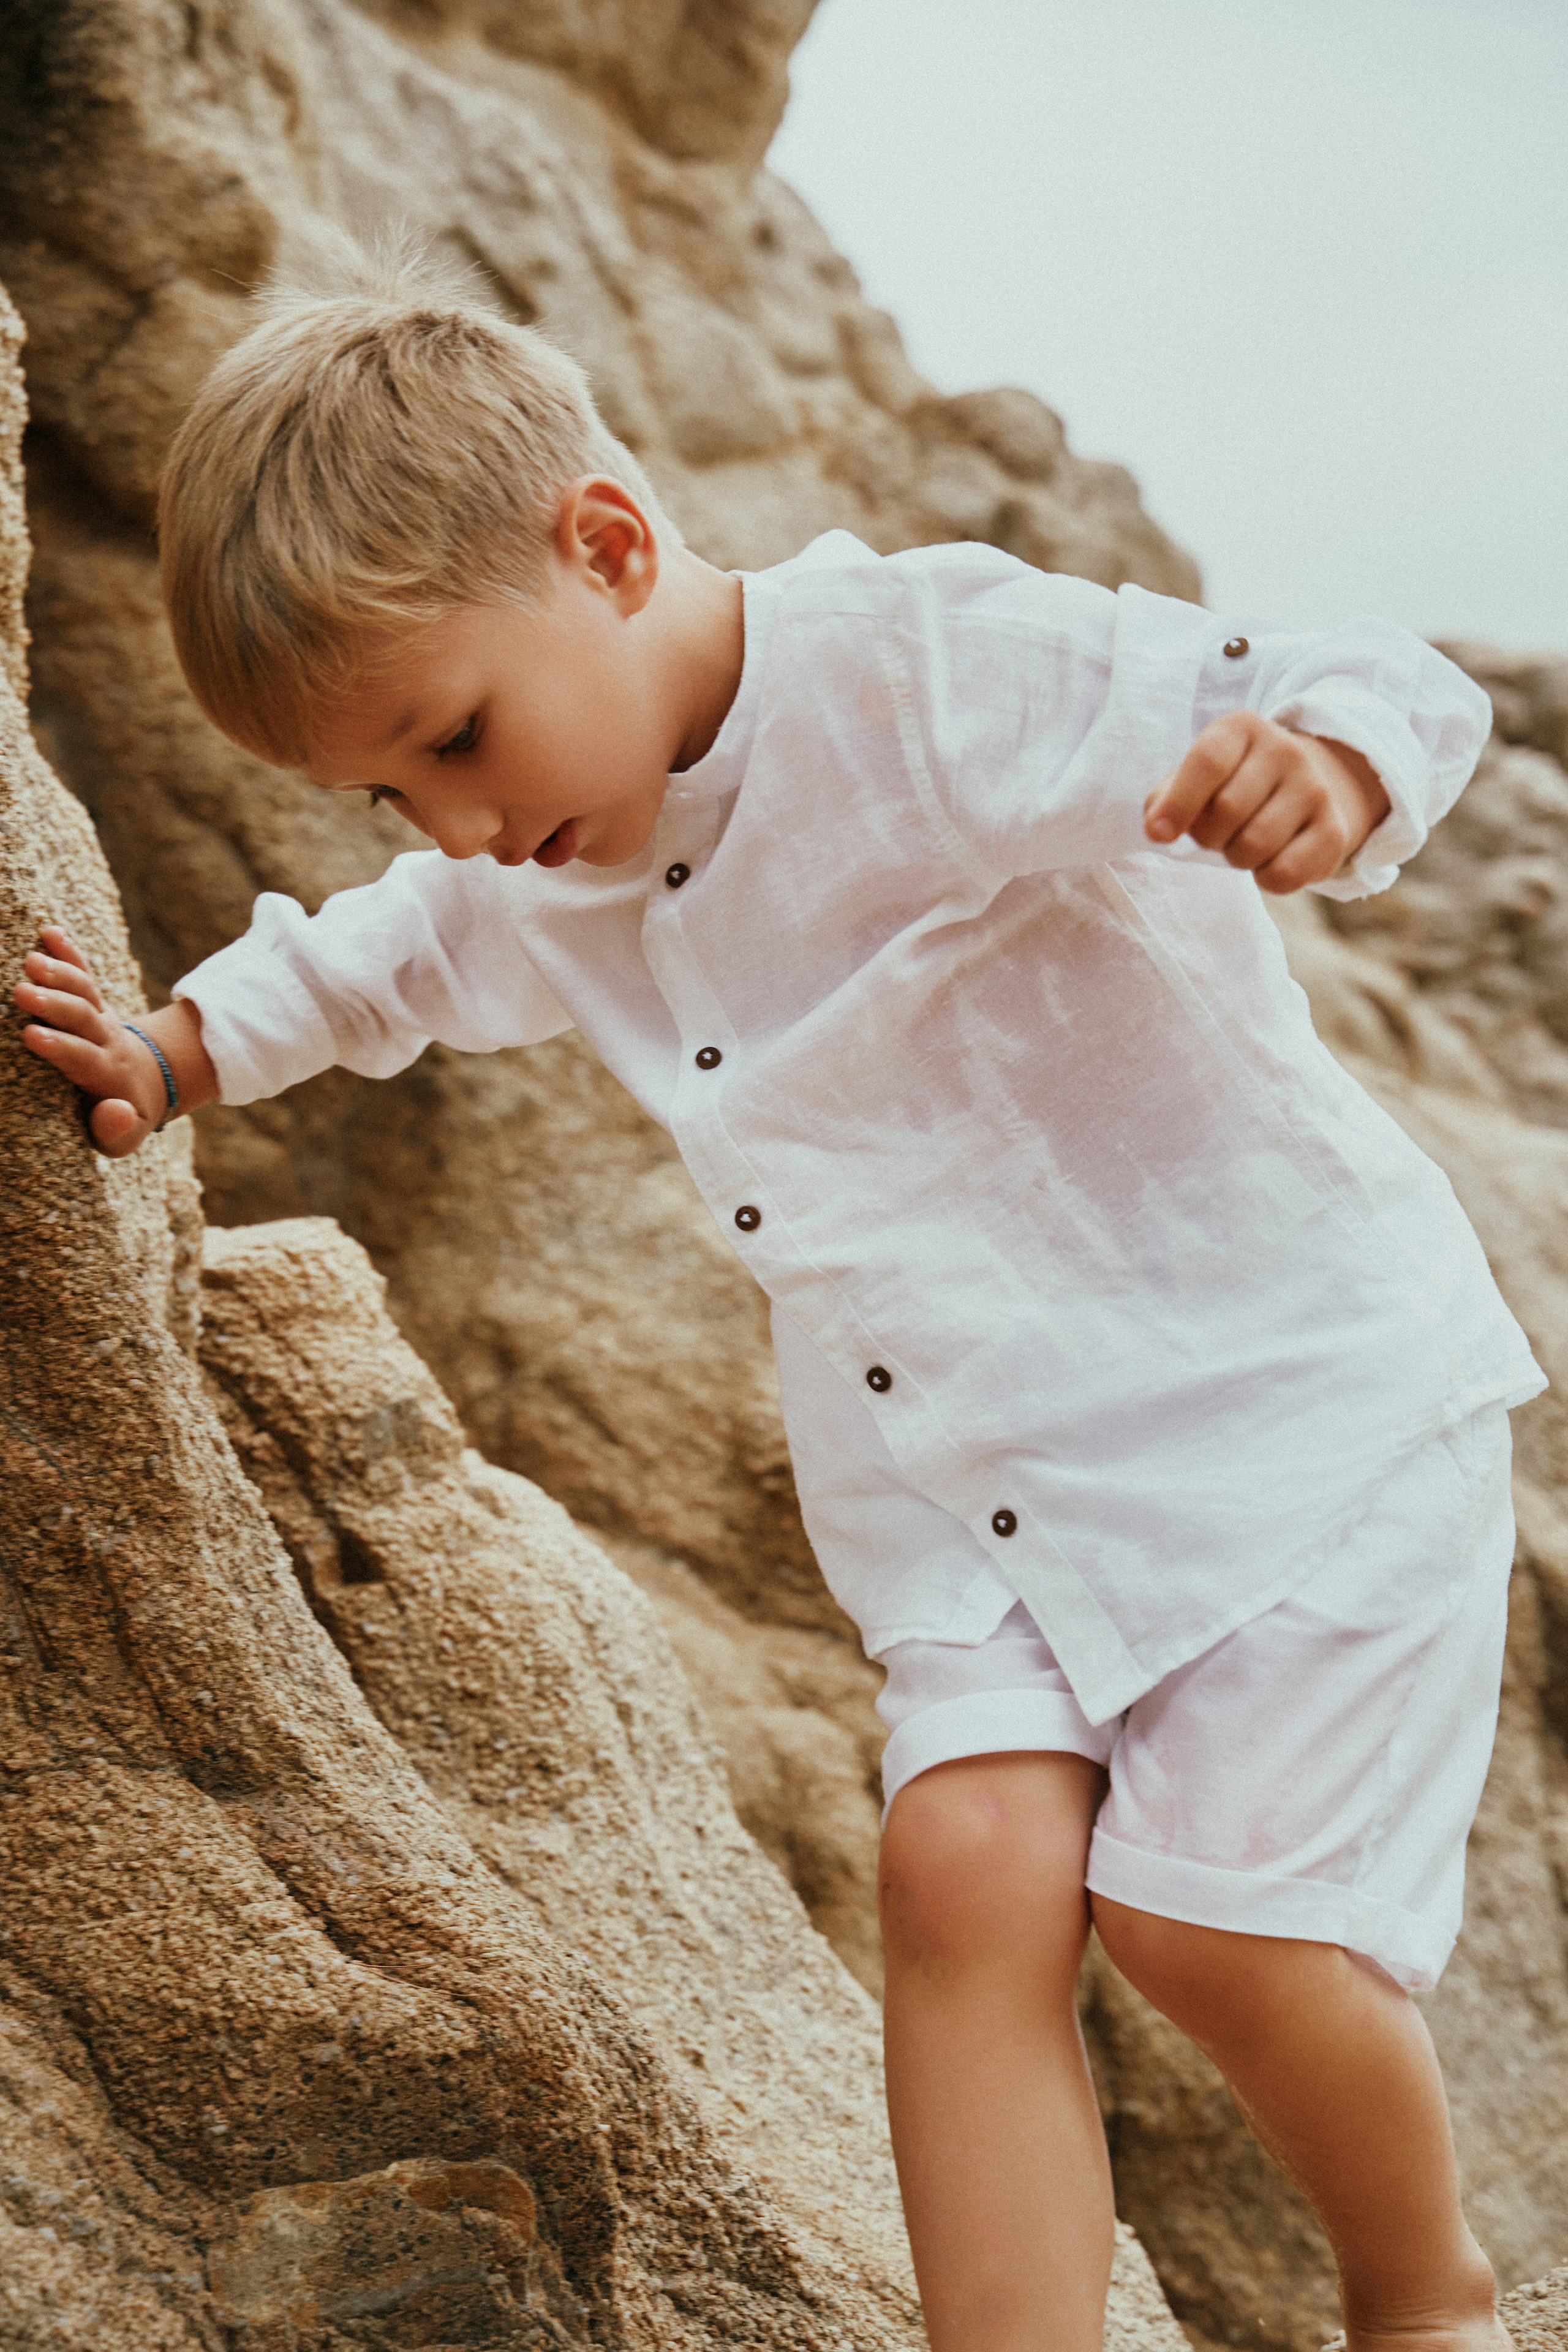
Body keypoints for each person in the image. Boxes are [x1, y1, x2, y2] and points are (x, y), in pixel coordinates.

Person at [13, 242, 1540, 2352]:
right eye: (396, 788)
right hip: (975, 1492)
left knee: (1208, 1934)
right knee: (961, 1878)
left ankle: (1422, 2293)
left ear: (611, 544)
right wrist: (179, 1050)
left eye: (456, 734)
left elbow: (1349, 673)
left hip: (1274, 1406)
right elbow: (395, 950)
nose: (463, 822)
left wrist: (1337, 765)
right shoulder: (545, 839)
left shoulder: (919, 672)